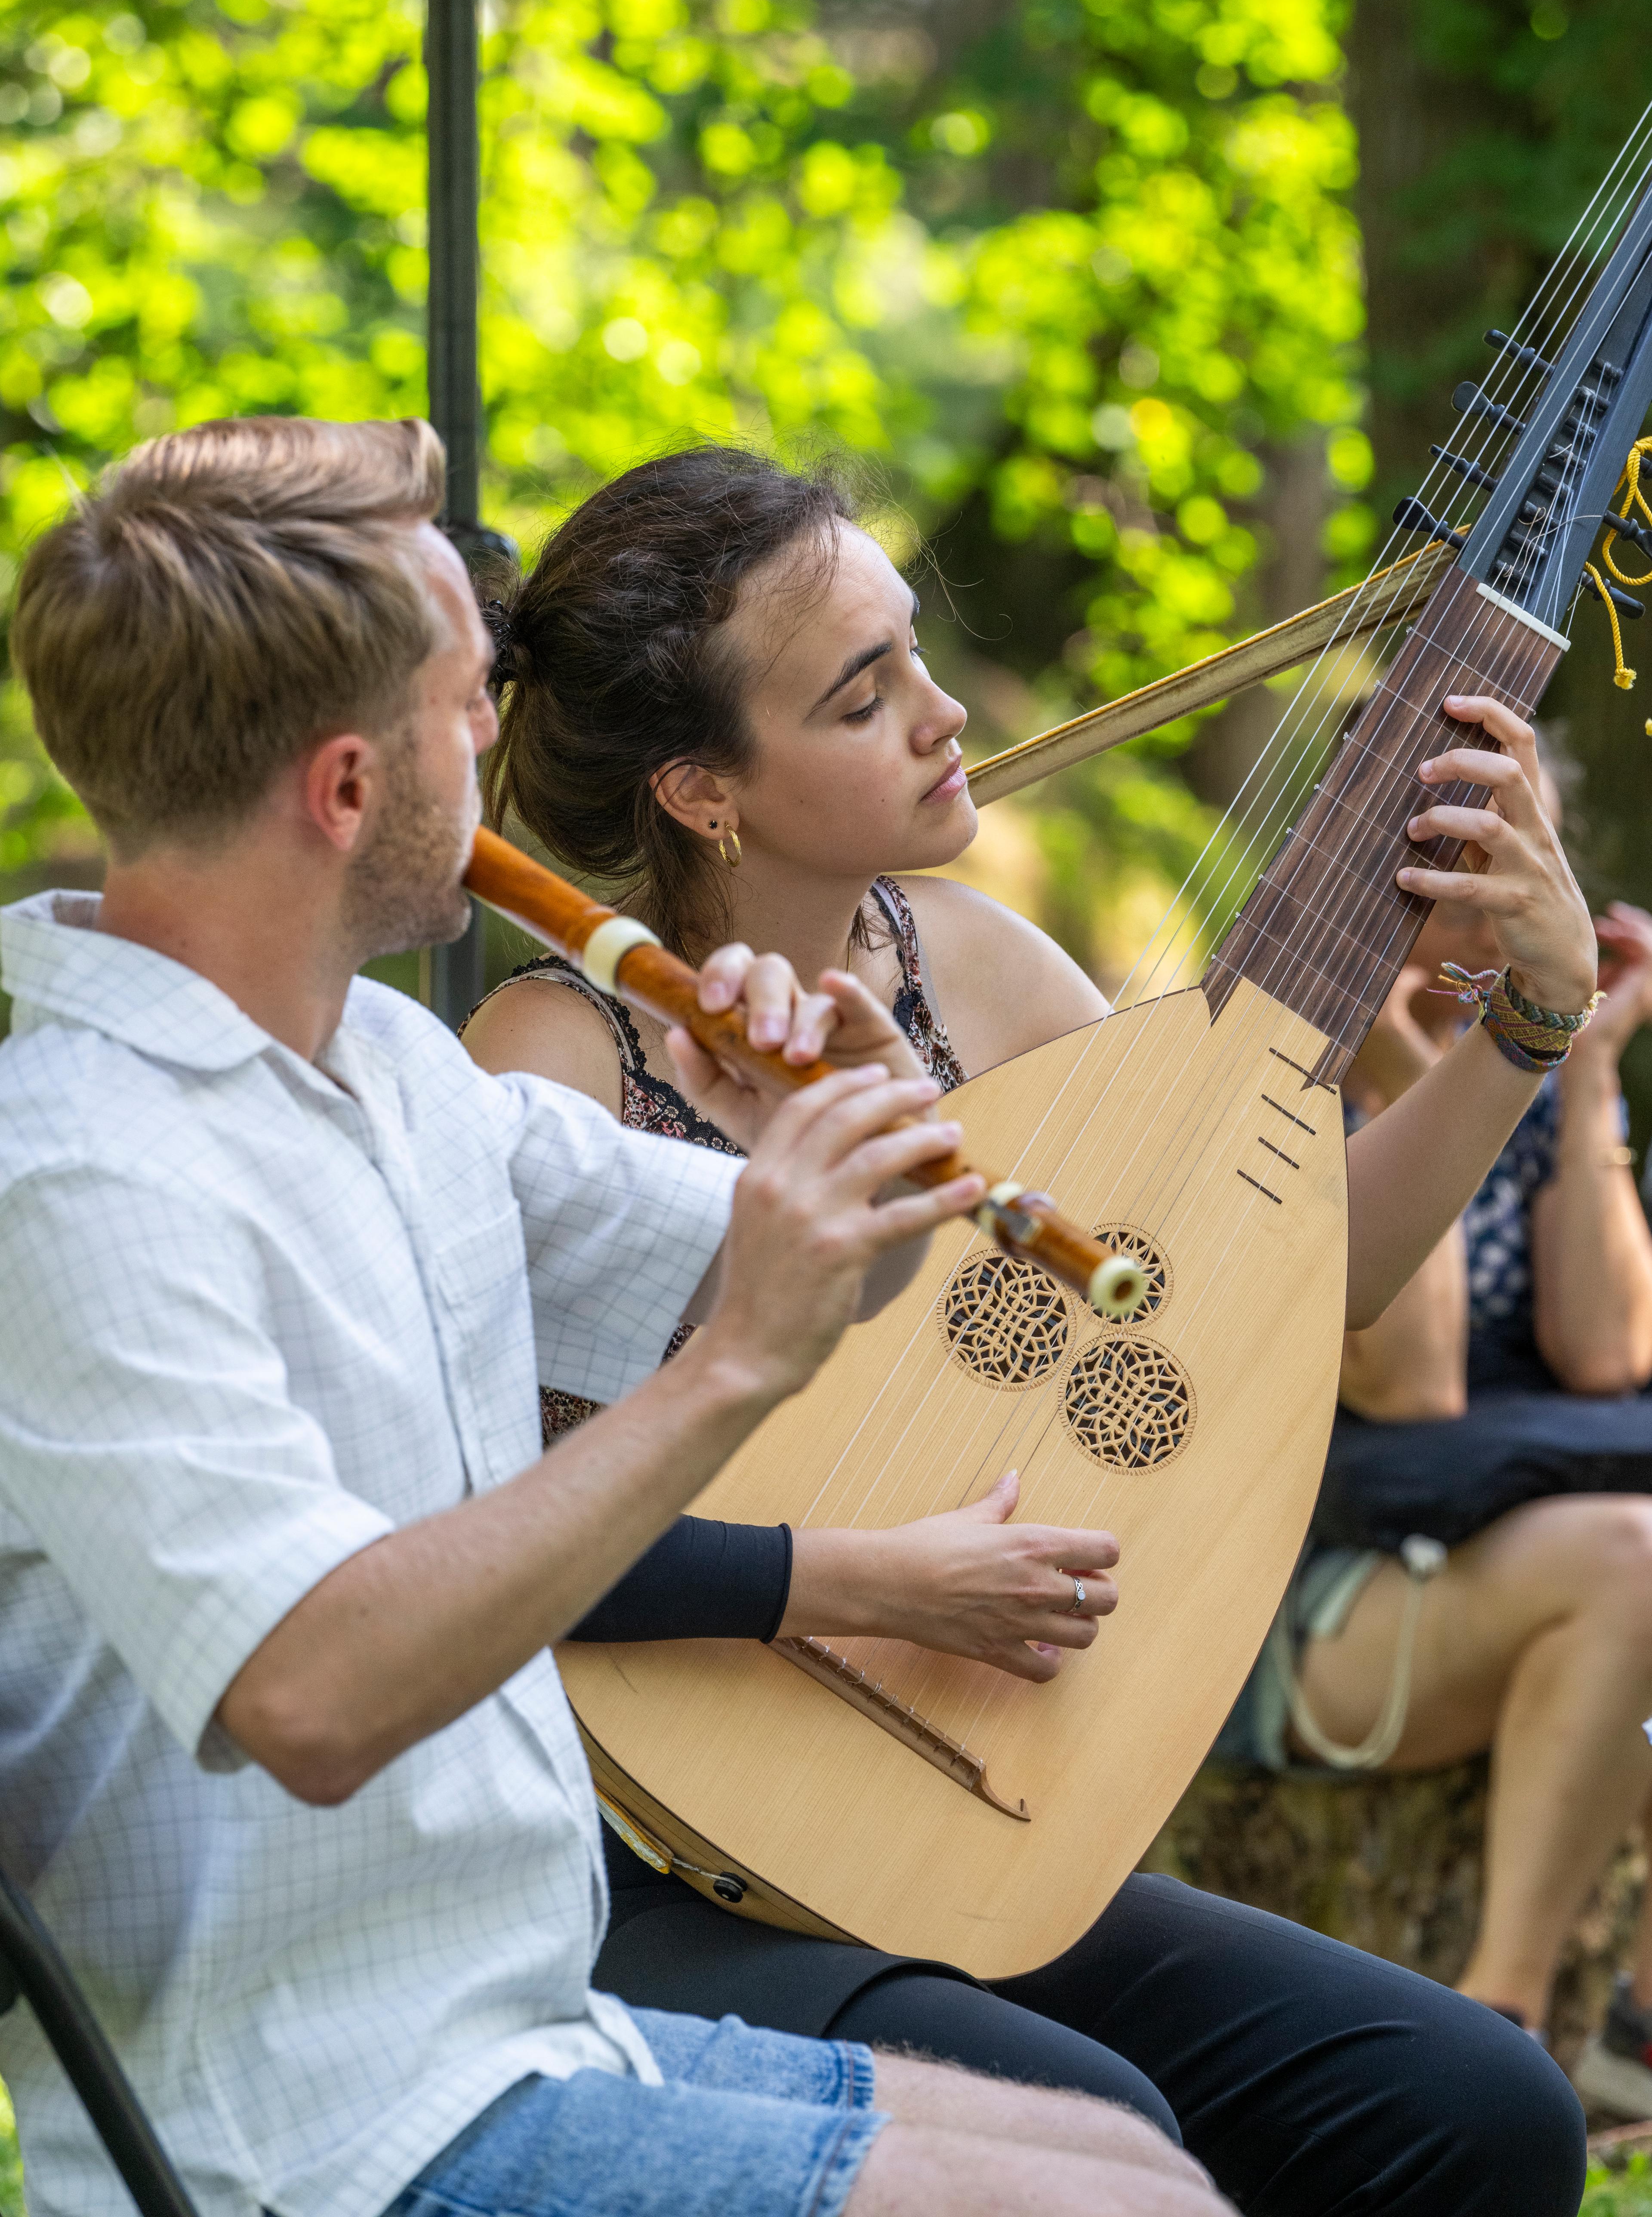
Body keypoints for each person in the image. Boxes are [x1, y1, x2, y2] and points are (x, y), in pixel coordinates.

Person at [0, 416, 1232, 2217]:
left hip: (522, 2034)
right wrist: (736, 1366)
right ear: (347, 792)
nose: (499, 734)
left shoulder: (394, 1072)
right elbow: (316, 1695)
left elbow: (851, 1259)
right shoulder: (86, 1178)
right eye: (459, 707)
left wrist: (851, 1122)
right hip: (307, 2137)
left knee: (1128, 2158)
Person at [460, 440, 1598, 2216]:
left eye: (917, 652)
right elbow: (476, 1563)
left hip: (935, 1806)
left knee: (1478, 2104)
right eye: (864, 694)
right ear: (704, 793)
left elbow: (1263, 1300)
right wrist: (856, 1576)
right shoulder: (550, 1067)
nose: (941, 713)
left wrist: (1531, 1022)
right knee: (1110, 2124)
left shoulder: (972, 962)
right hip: (638, 1865)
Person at [1244, 820, 1652, 2104]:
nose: (1477, 950)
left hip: (1490, 1566)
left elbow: (1607, 1354)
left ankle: (1638, 2028)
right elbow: (1412, 1383)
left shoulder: (1529, 1078)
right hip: (1287, 1599)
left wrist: (1582, 1071)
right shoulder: (1274, 1087)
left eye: (1505, 911)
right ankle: (1505, 2028)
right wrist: (1397, 1067)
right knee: (1637, 1553)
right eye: (1442, 910)